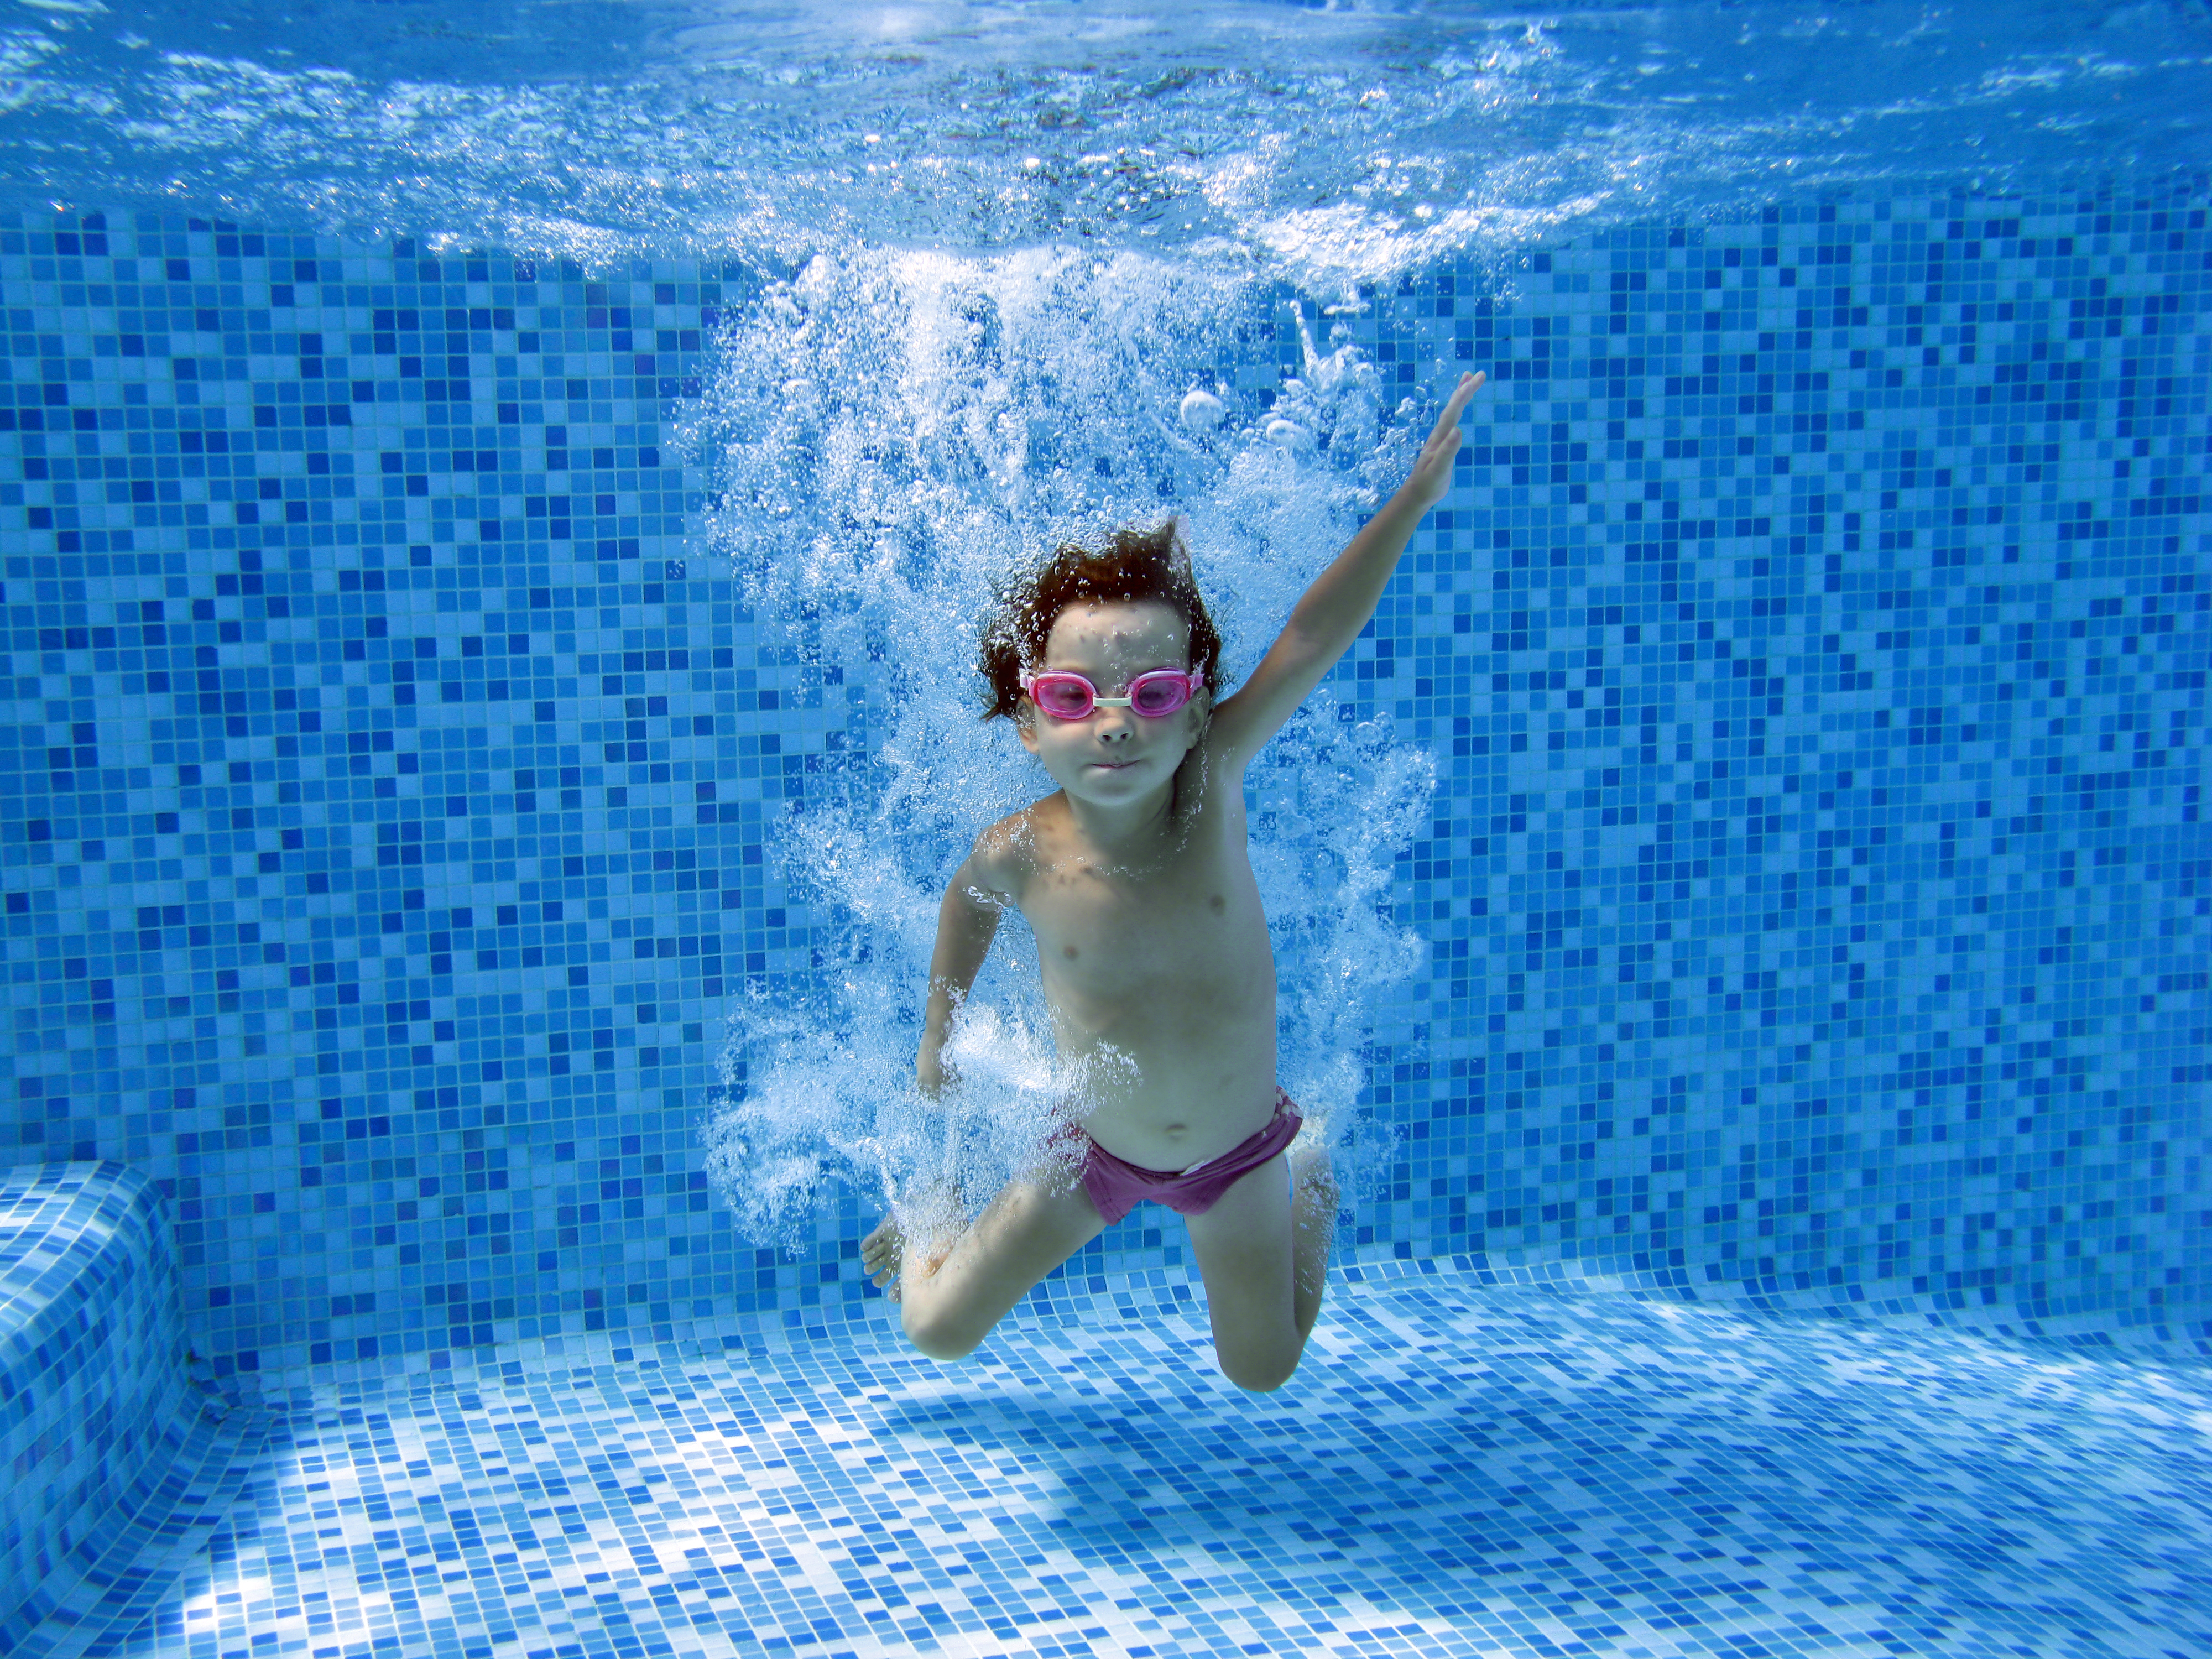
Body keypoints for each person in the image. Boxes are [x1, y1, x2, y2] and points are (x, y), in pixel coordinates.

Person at [861, 370, 1486, 1391]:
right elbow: (966, 905)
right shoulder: (1018, 850)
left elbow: (1310, 639)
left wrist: (1412, 502)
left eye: (1151, 694)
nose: (1115, 723)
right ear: (1028, 723)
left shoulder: (1213, 782)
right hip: (1090, 1154)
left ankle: (1312, 1175)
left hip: (1238, 1155)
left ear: (1197, 711)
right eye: (1075, 697)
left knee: (1262, 1368)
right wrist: (938, 1042)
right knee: (934, 1330)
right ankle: (931, 1210)